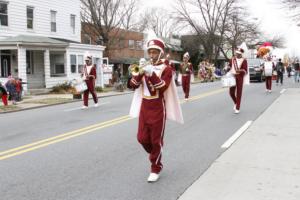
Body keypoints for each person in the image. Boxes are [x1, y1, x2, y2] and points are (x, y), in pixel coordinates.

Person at [129, 38, 183, 182]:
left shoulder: (167, 69)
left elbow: (162, 87)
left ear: (160, 53)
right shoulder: (145, 66)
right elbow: (132, 85)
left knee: (155, 140)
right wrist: (140, 72)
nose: (151, 55)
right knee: (141, 138)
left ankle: (156, 167)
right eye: (150, 52)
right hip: (144, 106)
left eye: (154, 52)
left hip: (158, 107)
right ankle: (155, 153)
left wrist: (151, 73)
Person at [226, 48, 248, 114]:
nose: (237, 54)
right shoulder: (232, 59)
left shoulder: (244, 60)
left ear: (241, 54)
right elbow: (229, 66)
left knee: (239, 93)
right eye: (236, 53)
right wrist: (227, 68)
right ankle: (236, 103)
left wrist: (240, 70)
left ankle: (238, 108)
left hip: (239, 77)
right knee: (231, 92)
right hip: (232, 77)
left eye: (238, 54)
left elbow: (245, 70)